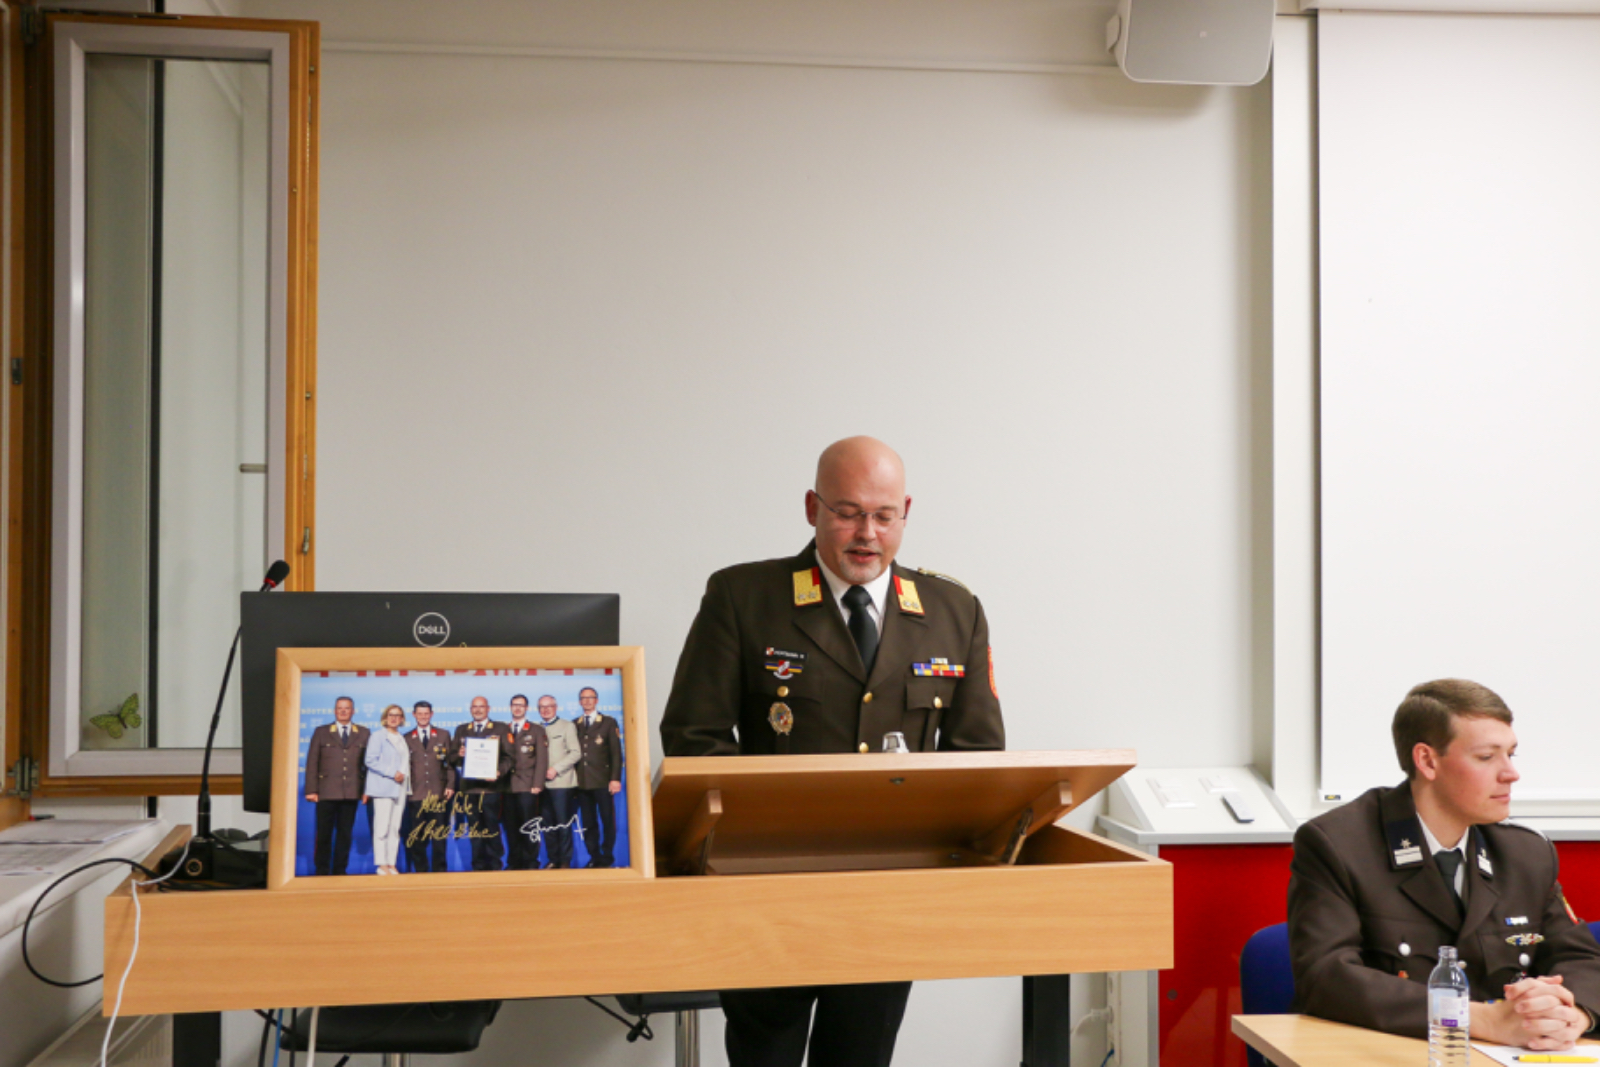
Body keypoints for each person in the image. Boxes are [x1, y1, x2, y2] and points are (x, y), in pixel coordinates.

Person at [660, 435, 1004, 1067]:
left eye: (883, 515)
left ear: (905, 513)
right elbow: (693, 737)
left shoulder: (953, 610)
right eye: (847, 513)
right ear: (812, 508)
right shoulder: (744, 597)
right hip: (766, 891)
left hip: (890, 895)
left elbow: (977, 755)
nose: (866, 534)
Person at [1288, 678, 1600, 1049]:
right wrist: (1474, 1018)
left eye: (1511, 754)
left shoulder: (1526, 854)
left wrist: (1571, 1014)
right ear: (1427, 761)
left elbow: (1580, 958)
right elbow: (1326, 978)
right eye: (1486, 757)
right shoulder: (1339, 844)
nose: (1510, 773)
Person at [303, 696, 369, 876]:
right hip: (326, 792)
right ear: (334, 711)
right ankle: (322, 870)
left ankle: (340, 870)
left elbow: (368, 765)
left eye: (347, 708)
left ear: (353, 711)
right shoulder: (322, 732)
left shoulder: (363, 733)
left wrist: (366, 790)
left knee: (345, 834)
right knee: (324, 834)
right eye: (340, 708)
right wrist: (311, 789)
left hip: (351, 792)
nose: (343, 711)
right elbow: (312, 762)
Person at [451, 695, 512, 871]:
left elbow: (509, 757)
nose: (478, 710)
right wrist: (459, 755)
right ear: (471, 710)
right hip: (470, 790)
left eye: (481, 707)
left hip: (491, 789)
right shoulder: (462, 729)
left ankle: (495, 864)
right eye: (474, 707)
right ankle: (478, 865)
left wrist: (499, 771)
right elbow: (451, 758)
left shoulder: (500, 728)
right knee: (475, 830)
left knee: (492, 827)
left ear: (488, 708)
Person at [574, 686, 623, 868]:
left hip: (603, 781)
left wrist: (615, 778)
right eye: (583, 698)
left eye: (590, 697)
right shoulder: (575, 724)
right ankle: (594, 855)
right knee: (588, 822)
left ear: (597, 700)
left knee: (607, 820)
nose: (587, 701)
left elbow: (616, 754)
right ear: (579, 702)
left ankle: (607, 854)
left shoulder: (608, 722)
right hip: (582, 782)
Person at [403, 700, 455, 873]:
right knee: (417, 835)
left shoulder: (443, 735)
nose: (423, 717)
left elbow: (449, 763)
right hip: (415, 794)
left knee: (438, 835)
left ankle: (439, 870)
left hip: (438, 793)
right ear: (414, 715)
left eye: (426, 713)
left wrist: (450, 785)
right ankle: (421, 870)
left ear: (431, 714)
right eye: (420, 713)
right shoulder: (406, 738)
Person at [503, 694, 550, 870]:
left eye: (521, 705)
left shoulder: (536, 730)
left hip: (528, 786)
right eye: (514, 705)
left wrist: (538, 783)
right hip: (507, 786)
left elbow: (542, 760)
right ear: (510, 707)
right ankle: (514, 861)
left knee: (529, 826)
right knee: (511, 826)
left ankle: (531, 861)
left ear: (526, 708)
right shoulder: (504, 729)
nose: (517, 708)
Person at [364, 704, 411, 876]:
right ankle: (381, 863)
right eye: (391, 715)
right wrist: (392, 773)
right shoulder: (377, 736)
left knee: (395, 828)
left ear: (402, 719)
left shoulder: (402, 738)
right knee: (382, 827)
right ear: (385, 717)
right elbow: (370, 760)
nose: (394, 718)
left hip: (400, 788)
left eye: (397, 715)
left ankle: (391, 863)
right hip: (383, 787)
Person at [536, 695, 581, 869]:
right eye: (542, 707)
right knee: (547, 825)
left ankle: (565, 861)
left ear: (556, 707)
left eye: (549, 706)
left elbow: (575, 753)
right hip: (541, 785)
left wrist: (556, 769)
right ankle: (553, 859)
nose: (545, 710)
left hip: (562, 783)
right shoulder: (536, 728)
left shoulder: (567, 726)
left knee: (563, 824)